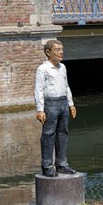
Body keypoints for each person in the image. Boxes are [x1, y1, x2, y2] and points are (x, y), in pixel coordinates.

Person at [35, 39, 77, 178]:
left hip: (63, 102)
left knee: (63, 133)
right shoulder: (43, 69)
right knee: (48, 134)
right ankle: (47, 166)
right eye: (58, 50)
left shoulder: (62, 67)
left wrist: (70, 104)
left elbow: (66, 86)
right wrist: (40, 109)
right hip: (50, 104)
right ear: (48, 52)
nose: (61, 52)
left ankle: (62, 164)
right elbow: (39, 90)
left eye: (62, 49)